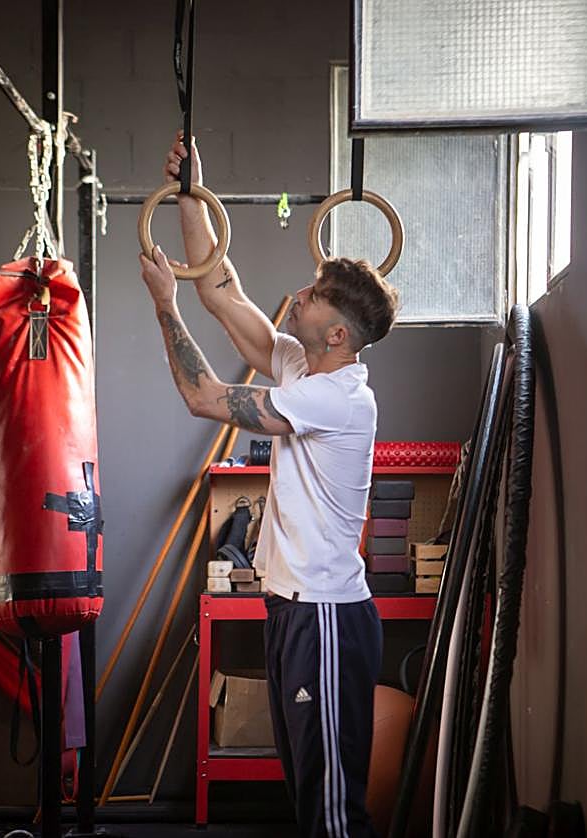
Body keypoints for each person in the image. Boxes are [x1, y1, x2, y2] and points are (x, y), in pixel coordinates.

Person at [139, 132, 399, 838]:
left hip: (325, 617)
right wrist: (193, 194)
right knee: (305, 790)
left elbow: (203, 396)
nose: (299, 295)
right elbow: (224, 292)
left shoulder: (337, 398)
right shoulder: (299, 366)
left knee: (331, 808)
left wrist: (165, 304)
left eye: (313, 297)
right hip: (290, 610)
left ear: (338, 335)